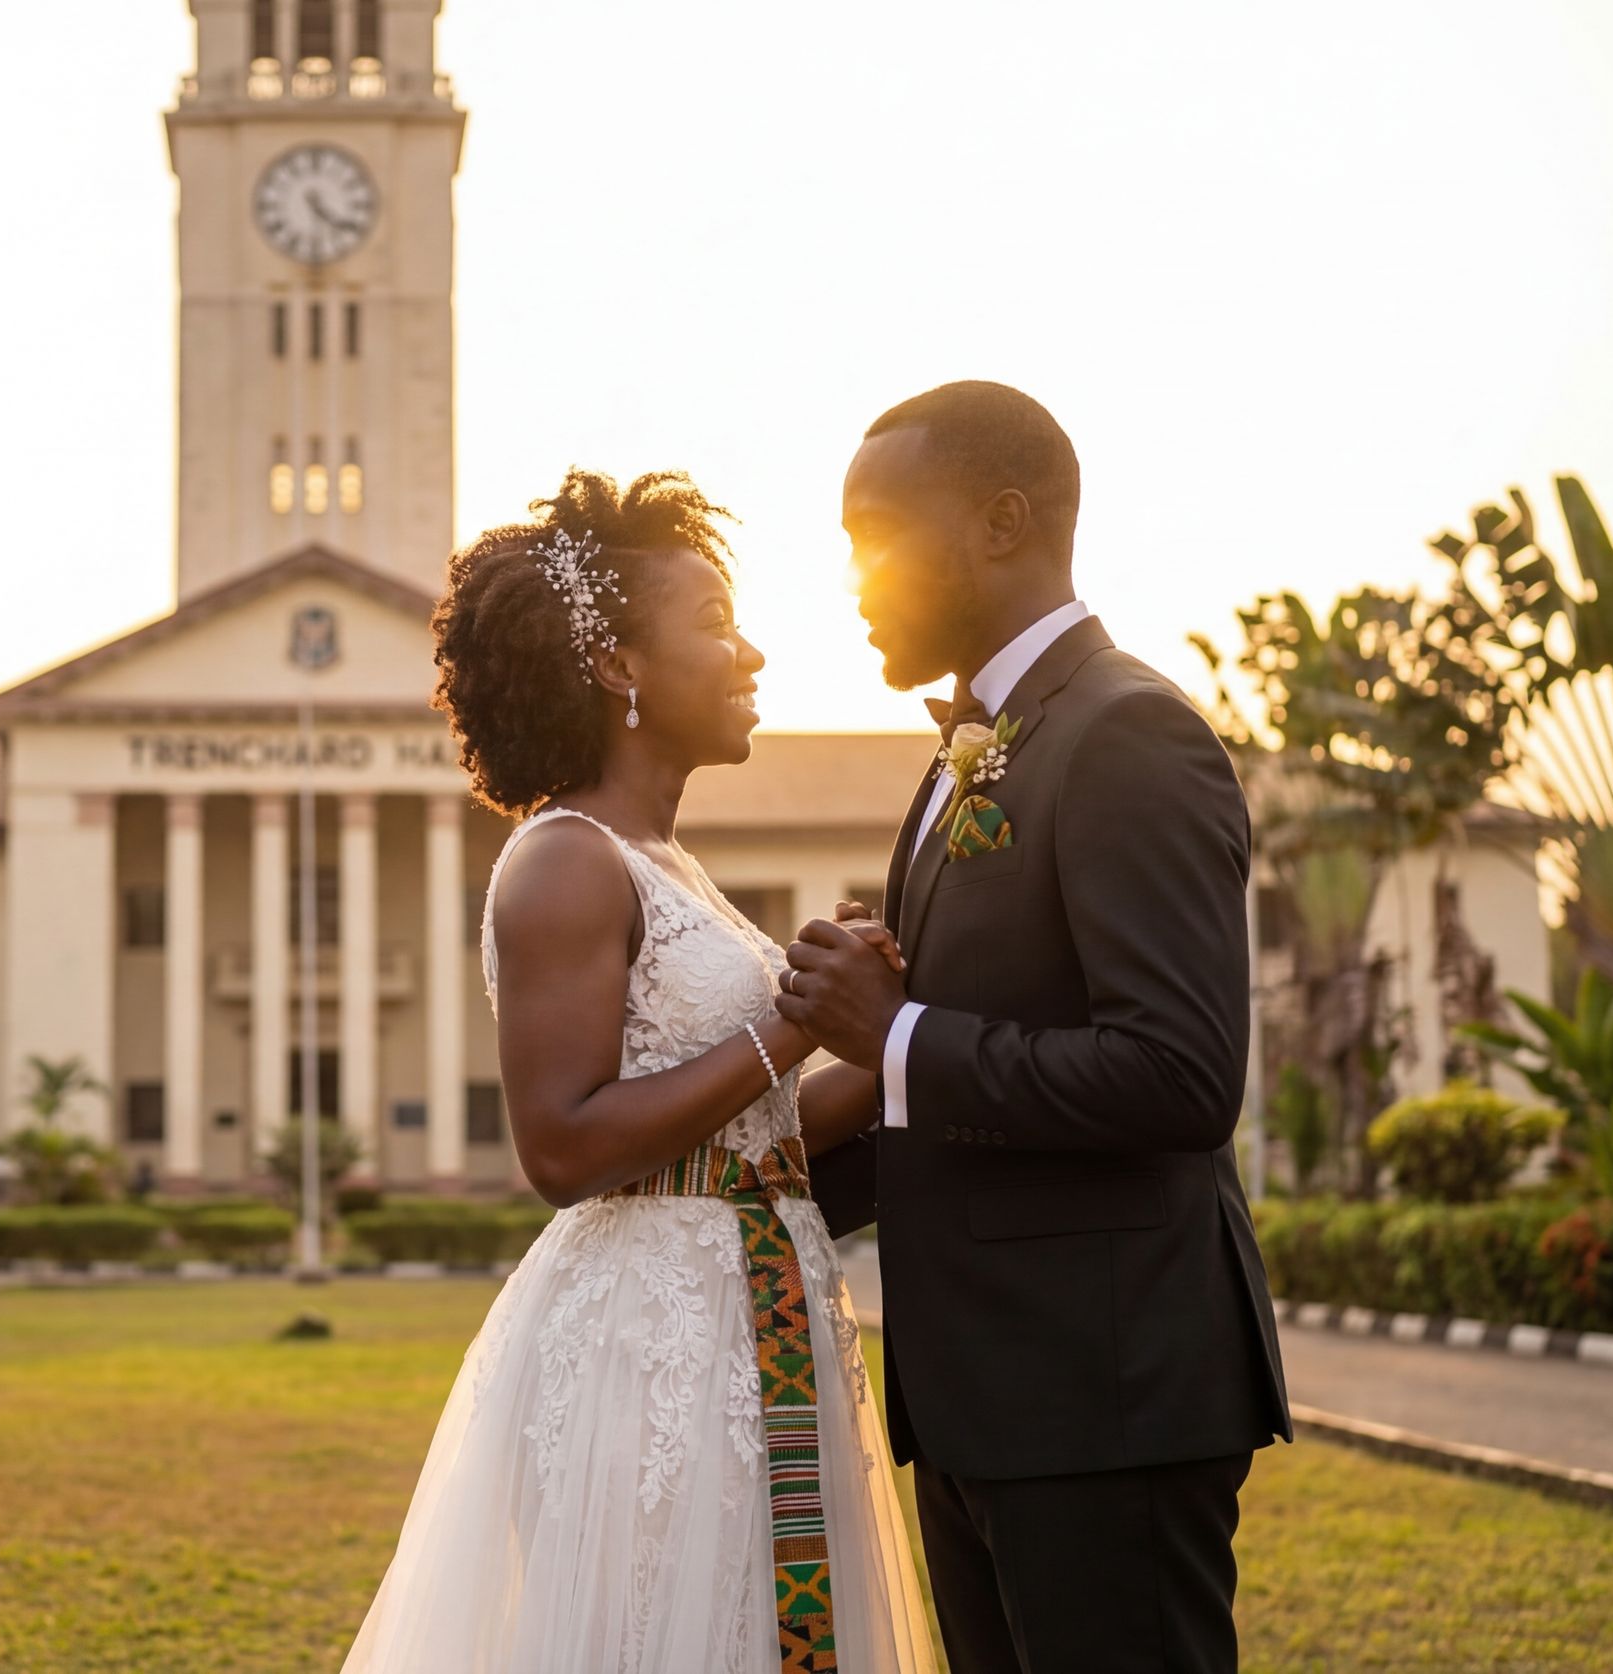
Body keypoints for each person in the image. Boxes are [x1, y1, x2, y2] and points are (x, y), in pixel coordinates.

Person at [342, 469, 938, 1673]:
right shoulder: (563, 861)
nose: (752, 652)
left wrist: (889, 1037)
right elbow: (562, 1146)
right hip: (648, 1348)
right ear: (619, 666)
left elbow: (755, 1130)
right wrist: (792, 1025)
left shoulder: (670, 860)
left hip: (753, 1311)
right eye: (714, 623)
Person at [778, 382, 1292, 1674]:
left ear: (1002, 521)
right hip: (978, 1401)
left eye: (875, 534)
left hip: (1103, 1400)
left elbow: (1177, 1076)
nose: (851, 576)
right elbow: (958, 1096)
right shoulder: (973, 751)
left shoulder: (1129, 732)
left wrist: (890, 1029)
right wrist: (729, 1207)